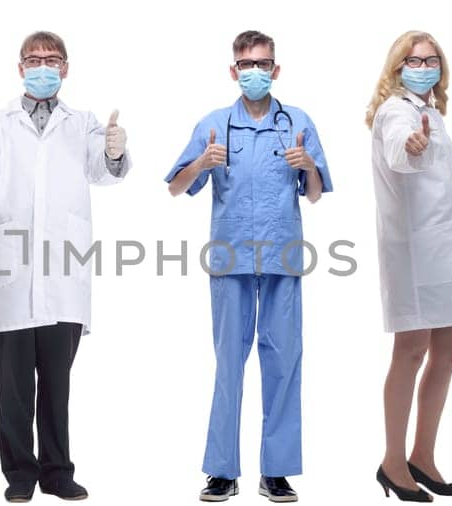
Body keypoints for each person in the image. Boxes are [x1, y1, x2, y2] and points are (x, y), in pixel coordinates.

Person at [0, 30, 128, 503]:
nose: (42, 66)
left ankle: (57, 472)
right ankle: (19, 474)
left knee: (57, 384)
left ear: (66, 68)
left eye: (51, 59)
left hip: (63, 273)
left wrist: (113, 150)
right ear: (19, 68)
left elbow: (104, 172)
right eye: (33, 59)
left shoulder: (85, 123)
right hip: (14, 273)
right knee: (13, 388)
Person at [167, 29, 332, 504]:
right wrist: (202, 162)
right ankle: (222, 470)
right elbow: (176, 187)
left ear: (276, 69)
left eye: (263, 64)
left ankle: (276, 471)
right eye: (246, 65)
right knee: (229, 366)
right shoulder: (215, 125)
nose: (255, 72)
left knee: (283, 363)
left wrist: (309, 166)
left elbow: (316, 193)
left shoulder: (296, 122)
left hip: (282, 258)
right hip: (230, 257)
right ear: (233, 70)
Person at [365, 30, 452, 503]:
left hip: (445, 250)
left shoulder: (433, 115)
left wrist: (424, 140)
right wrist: (412, 147)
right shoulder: (395, 112)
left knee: (449, 349)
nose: (423, 67)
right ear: (397, 67)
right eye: (413, 60)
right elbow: (398, 149)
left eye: (431, 60)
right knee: (411, 349)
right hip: (412, 252)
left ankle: (422, 456)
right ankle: (391, 459)